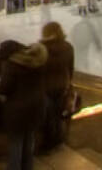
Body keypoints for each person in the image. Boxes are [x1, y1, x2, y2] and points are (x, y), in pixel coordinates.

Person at [0, 39, 47, 170]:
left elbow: (3, 88)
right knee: (29, 142)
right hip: (36, 107)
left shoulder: (11, 65)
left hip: (17, 111)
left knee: (16, 144)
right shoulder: (37, 61)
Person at [39, 22, 75, 151]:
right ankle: (58, 140)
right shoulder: (68, 47)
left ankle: (47, 143)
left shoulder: (41, 48)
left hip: (46, 86)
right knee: (58, 114)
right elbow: (70, 69)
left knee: (48, 116)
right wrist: (69, 83)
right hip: (62, 86)